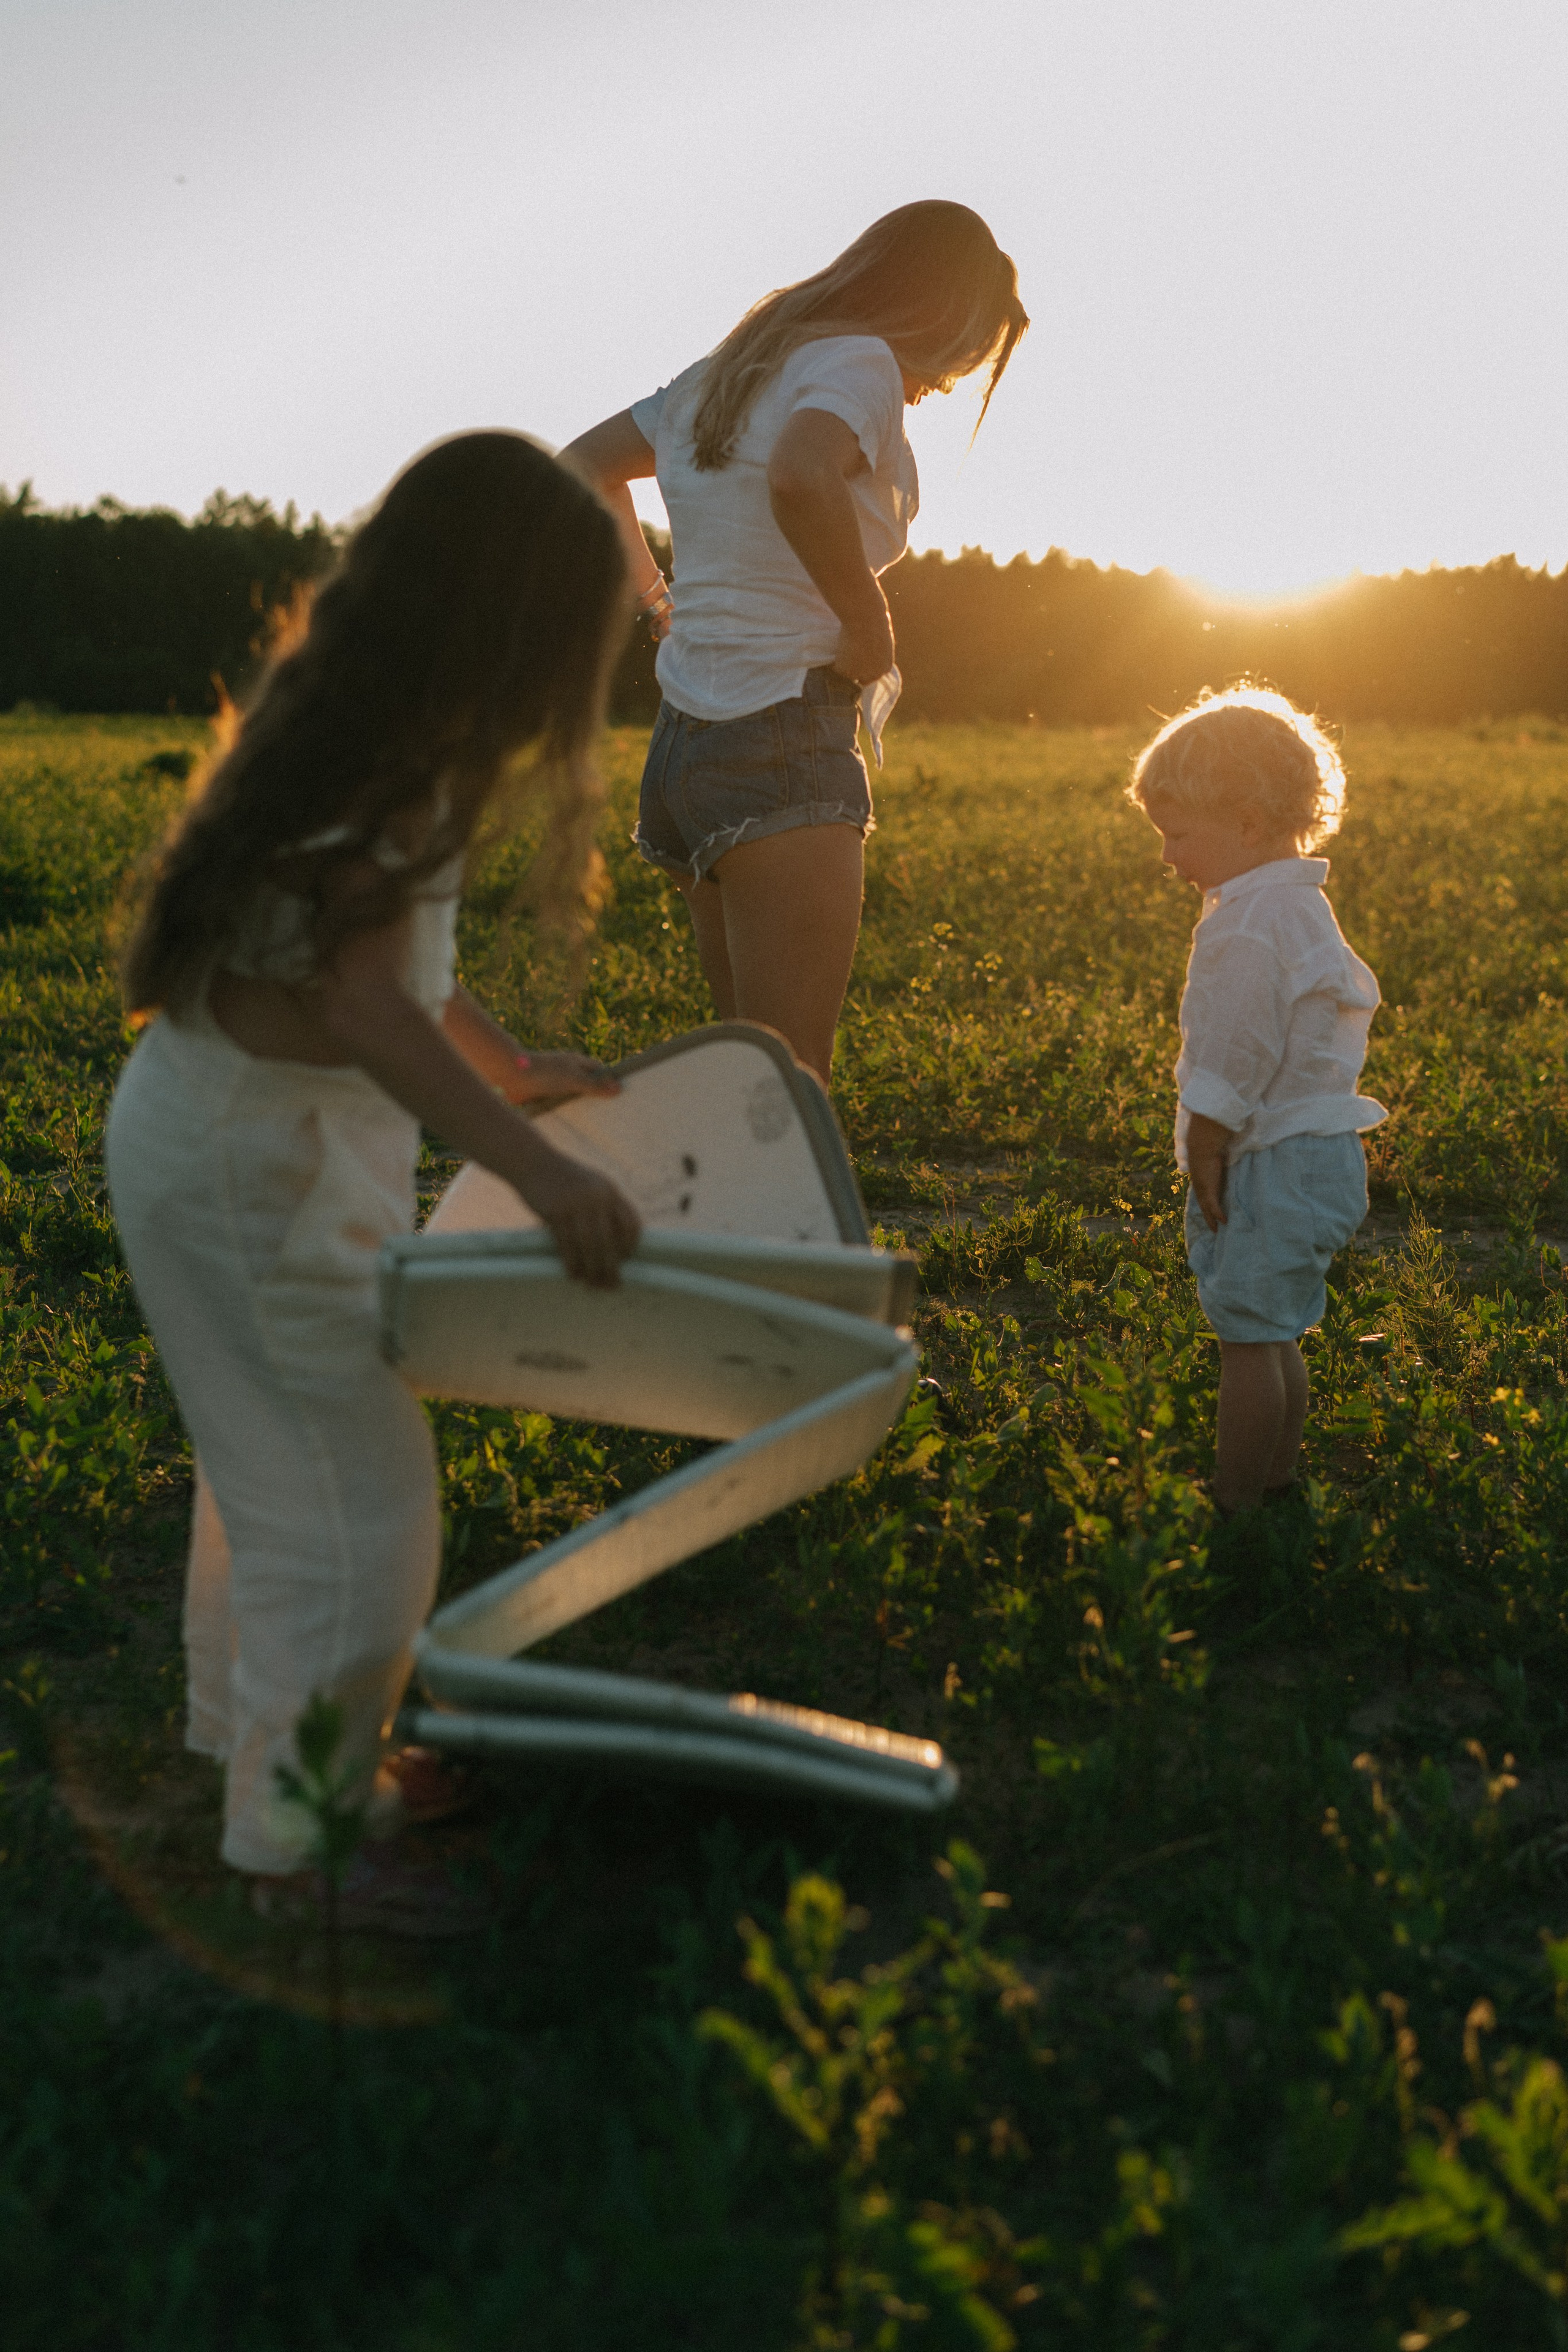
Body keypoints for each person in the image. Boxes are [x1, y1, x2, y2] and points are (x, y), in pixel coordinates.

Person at [106, 432, 642, 1933]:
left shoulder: (362, 725)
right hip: (257, 1164)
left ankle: (272, 1748)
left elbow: (390, 964)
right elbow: (359, 1002)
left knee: (273, 1470)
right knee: (357, 1503)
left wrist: (505, 1063)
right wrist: (537, 1168)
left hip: (228, 1137)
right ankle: (301, 1840)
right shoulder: (392, 768)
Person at [564, 200, 1028, 1087]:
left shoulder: (728, 372)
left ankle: (733, 1183)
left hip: (685, 748)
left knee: (754, 1073)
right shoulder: (861, 361)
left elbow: (580, 467)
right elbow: (801, 472)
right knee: (793, 1079)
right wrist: (869, 622)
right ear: (940, 315)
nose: (940, 387)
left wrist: (657, 602)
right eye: (959, 360)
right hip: (783, 730)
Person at [1126, 687, 1387, 1515]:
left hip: (1271, 1160)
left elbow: (1237, 1051)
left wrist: (1204, 1142)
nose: (1167, 856)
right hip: (1319, 1155)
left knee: (1246, 1338)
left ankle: (1235, 1503)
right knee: (1275, 1332)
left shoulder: (1247, 925)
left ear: (1245, 823)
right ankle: (1276, 1482)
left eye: (1177, 835)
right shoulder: (1300, 905)